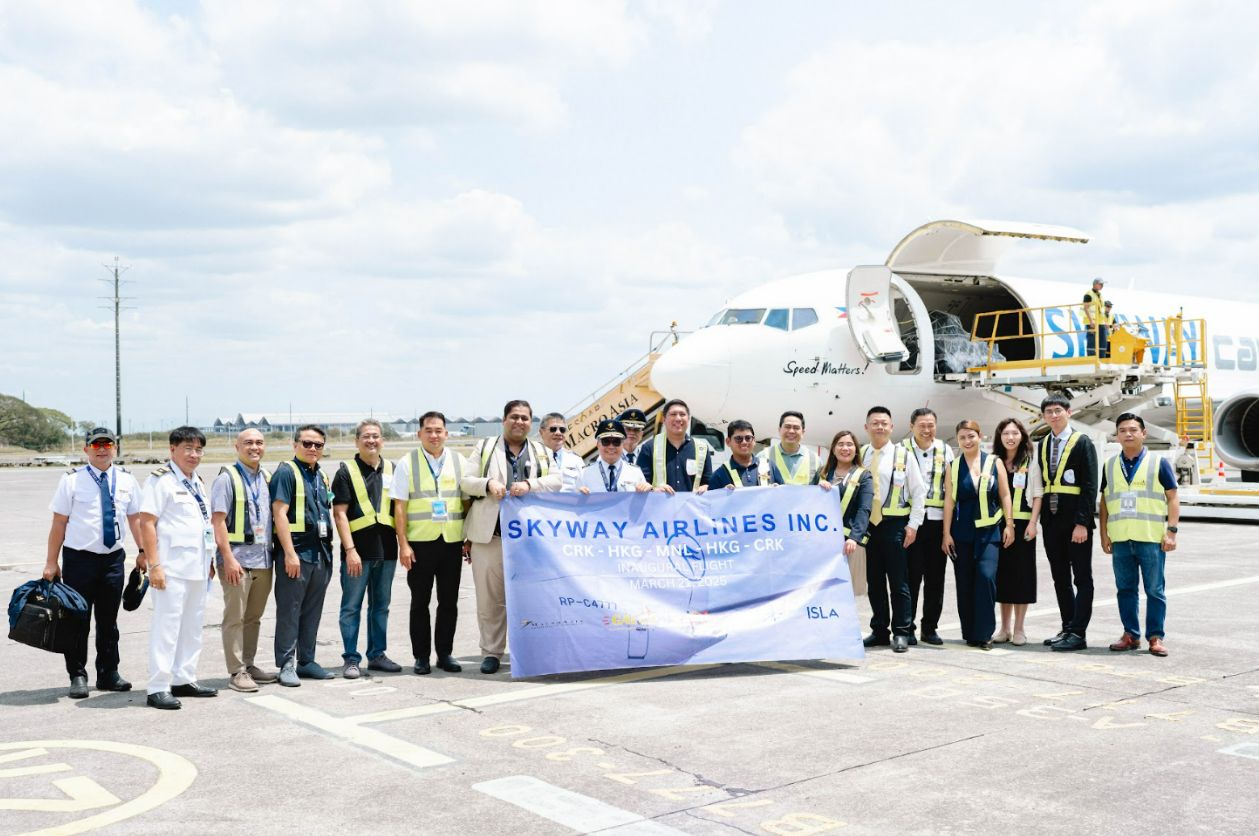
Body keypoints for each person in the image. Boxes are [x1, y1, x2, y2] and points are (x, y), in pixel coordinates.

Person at [461, 400, 561, 674]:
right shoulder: (485, 448)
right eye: (514, 417)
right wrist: (487, 484)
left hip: (529, 541)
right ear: (504, 420)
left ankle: (529, 650)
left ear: (531, 423)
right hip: (491, 537)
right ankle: (491, 652)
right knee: (489, 600)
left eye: (524, 418)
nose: (519, 422)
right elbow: (466, 482)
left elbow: (556, 481)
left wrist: (530, 484)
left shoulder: (541, 451)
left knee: (532, 598)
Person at [43, 427, 144, 698]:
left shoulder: (127, 480)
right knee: (77, 619)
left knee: (108, 620)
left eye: (107, 444)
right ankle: (77, 675)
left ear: (115, 449)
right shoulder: (71, 480)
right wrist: (51, 562)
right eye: (96, 445)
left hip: (113, 560)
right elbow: (59, 523)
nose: (101, 449)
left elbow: (135, 518)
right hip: (79, 560)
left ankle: (109, 673)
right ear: (86, 449)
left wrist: (143, 551)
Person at [138, 426, 218, 709]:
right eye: (188, 449)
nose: (194, 455)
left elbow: (203, 525)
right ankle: (158, 686)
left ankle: (184, 678)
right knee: (167, 627)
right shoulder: (161, 480)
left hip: (198, 567)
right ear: (172, 449)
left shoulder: (198, 481)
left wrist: (210, 561)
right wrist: (154, 565)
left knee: (192, 626)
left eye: (198, 449)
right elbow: (147, 523)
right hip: (171, 568)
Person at [393, 411, 468, 675]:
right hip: (420, 544)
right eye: (428, 430)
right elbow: (399, 507)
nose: (434, 435)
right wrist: (403, 544)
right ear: (419, 434)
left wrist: (467, 536)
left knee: (449, 602)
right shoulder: (407, 463)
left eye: (438, 430)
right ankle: (421, 656)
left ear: (446, 433)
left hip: (451, 542)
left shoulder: (459, 461)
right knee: (420, 602)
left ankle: (444, 654)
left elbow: (467, 501)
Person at [1099, 413, 1179, 657]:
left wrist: (1171, 532)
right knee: (1125, 589)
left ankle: (1155, 637)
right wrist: (1103, 534)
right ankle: (1130, 634)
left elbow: (1173, 497)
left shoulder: (1158, 463)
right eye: (1122, 430)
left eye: (1133, 430)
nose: (1128, 434)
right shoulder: (1110, 465)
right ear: (1116, 436)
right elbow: (1104, 501)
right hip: (1121, 539)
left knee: (1155, 590)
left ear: (1144, 433)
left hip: (1150, 538)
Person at [331, 419, 402, 679]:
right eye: (366, 436)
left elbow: (400, 510)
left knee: (381, 606)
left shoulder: (393, 469)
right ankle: (351, 659)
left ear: (382, 440)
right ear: (357, 441)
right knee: (351, 607)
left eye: (376, 436)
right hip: (357, 553)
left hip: (387, 551)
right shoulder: (345, 472)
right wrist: (350, 550)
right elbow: (339, 514)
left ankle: (377, 655)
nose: (371, 441)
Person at [210, 428, 277, 692]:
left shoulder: (267, 477)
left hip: (263, 560)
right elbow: (218, 521)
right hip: (237, 561)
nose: (254, 447)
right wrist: (227, 558)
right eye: (248, 442)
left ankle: (249, 664)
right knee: (234, 618)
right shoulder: (226, 479)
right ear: (237, 447)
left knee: (253, 618)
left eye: (259, 442)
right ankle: (236, 671)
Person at [270, 424, 337, 685]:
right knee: (290, 611)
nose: (312, 448)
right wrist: (289, 553)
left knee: (312, 611)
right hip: (296, 554)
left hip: (320, 554)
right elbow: (279, 513)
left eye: (318, 445)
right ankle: (286, 664)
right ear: (295, 444)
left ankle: (307, 661)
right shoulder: (287, 472)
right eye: (307, 443)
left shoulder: (321, 475)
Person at [941, 421, 1014, 650]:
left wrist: (1009, 524)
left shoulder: (994, 462)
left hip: (989, 532)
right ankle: (970, 633)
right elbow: (949, 502)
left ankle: (984, 633)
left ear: (980, 436)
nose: (967, 441)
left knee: (985, 578)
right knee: (964, 582)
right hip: (962, 533)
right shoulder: (953, 466)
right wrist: (946, 534)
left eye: (971, 436)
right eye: (962, 437)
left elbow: (1005, 494)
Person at [1035, 395, 1099, 652]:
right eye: (1049, 412)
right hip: (1051, 521)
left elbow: (1090, 485)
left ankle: (1079, 632)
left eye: (1058, 410)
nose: (1053, 415)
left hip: (1075, 522)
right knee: (1059, 577)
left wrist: (1082, 522)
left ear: (1069, 412)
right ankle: (1067, 626)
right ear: (1043, 416)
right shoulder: (1042, 444)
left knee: (1082, 578)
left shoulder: (1082, 442)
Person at [860, 406, 926, 653]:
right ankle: (879, 630)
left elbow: (919, 492)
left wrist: (913, 525)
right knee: (875, 582)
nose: (879, 427)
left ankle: (901, 632)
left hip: (896, 525)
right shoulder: (862, 454)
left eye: (884, 423)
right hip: (869, 527)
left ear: (891, 427)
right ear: (866, 427)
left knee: (899, 582)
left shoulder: (904, 455)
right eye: (874, 423)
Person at [900, 407, 953, 645]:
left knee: (935, 578)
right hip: (911, 522)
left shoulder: (945, 449)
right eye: (921, 425)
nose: (926, 429)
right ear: (911, 426)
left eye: (931, 425)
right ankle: (907, 627)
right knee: (910, 577)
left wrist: (947, 531)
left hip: (937, 521)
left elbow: (949, 489)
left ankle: (929, 628)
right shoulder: (901, 449)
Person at [993, 418, 1042, 646]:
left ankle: (1019, 628)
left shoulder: (1030, 461)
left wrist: (1033, 523)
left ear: (1022, 436)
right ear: (999, 437)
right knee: (1003, 577)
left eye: (1014, 433)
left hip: (1023, 526)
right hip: (999, 525)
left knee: (1022, 577)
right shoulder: (994, 462)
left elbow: (1038, 494)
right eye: (1005, 433)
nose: (1010, 437)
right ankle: (1004, 628)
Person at [815, 430, 873, 597]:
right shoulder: (822, 473)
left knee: (848, 595)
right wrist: (818, 489)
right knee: (823, 593)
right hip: (824, 542)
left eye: (849, 444)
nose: (845, 448)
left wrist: (854, 538)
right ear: (833, 449)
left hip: (850, 544)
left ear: (856, 450)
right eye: (840, 444)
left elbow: (864, 509)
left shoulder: (864, 475)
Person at [637, 399, 712, 494]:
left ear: (688, 419)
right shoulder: (649, 447)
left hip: (691, 503)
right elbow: (641, 483)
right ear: (664, 419)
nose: (678, 418)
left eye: (682, 414)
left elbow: (708, 482)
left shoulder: (702, 449)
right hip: (660, 503)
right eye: (673, 414)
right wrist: (654, 490)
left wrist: (706, 487)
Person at [579, 419, 652, 493]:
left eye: (616, 442)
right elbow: (574, 498)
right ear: (598, 444)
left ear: (622, 444)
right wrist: (579, 495)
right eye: (606, 441)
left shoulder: (635, 472)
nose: (611, 446)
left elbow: (645, 498)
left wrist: (648, 490)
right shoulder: (585, 474)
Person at [759, 411, 820, 485]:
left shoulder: (815, 460)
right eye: (787, 427)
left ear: (803, 432)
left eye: (796, 428)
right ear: (779, 430)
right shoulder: (763, 456)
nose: (791, 431)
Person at [709, 421, 765, 489]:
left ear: (754, 440)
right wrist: (723, 493)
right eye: (738, 439)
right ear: (728, 442)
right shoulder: (719, 475)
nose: (744, 442)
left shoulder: (769, 466)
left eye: (748, 438)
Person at [538, 412, 585, 493]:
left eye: (562, 430)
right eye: (553, 429)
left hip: (570, 501)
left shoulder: (576, 459)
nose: (558, 433)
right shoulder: (532, 458)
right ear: (541, 432)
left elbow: (585, 484)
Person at [1083, 277, 1107, 358]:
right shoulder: (1089, 294)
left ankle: (1102, 358)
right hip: (1092, 322)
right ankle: (1091, 358)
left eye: (1102, 284)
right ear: (1095, 284)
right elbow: (1086, 308)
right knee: (1092, 341)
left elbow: (1101, 309)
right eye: (1100, 284)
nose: (1102, 286)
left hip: (1100, 322)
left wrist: (1105, 321)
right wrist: (1091, 321)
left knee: (1103, 341)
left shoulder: (1100, 295)